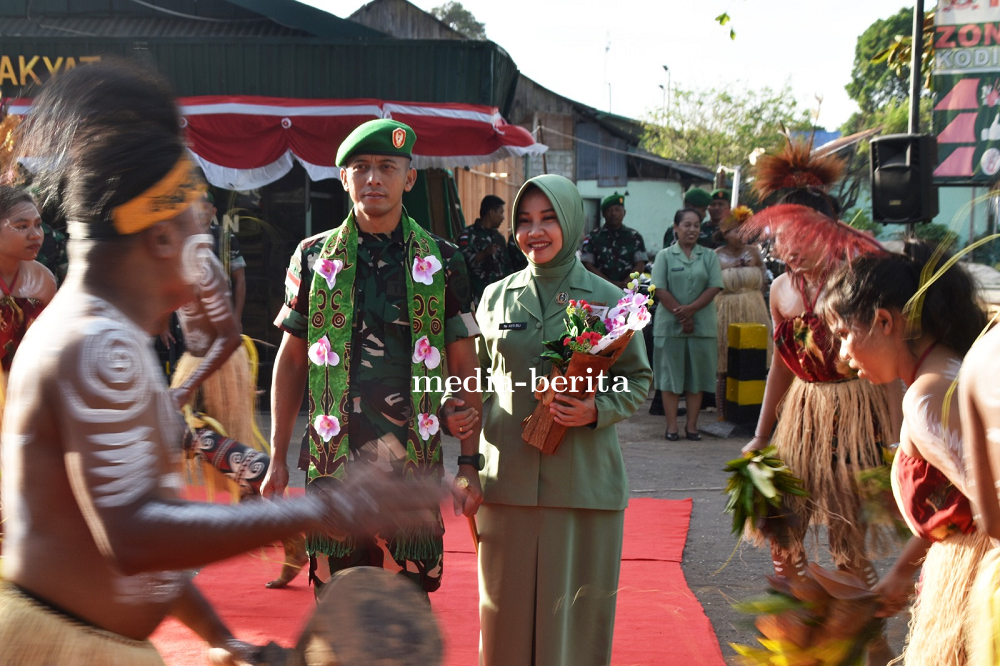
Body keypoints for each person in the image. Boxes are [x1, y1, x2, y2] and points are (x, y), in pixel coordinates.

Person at [0, 59, 438, 666]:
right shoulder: (97, 346)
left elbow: (125, 536)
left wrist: (219, 636)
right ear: (159, 238)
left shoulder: (104, 335)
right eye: (198, 227)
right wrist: (322, 507)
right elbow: (132, 536)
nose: (206, 250)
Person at [262, 118, 484, 597]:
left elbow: (465, 363)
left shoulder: (442, 260)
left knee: (407, 603)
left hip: (412, 467)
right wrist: (276, 456)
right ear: (344, 178)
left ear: (409, 177)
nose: (373, 178)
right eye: (360, 167)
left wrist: (470, 463)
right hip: (334, 464)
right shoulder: (313, 258)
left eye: (387, 166)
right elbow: (292, 360)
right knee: (336, 603)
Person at [475, 173, 651, 666]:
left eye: (549, 219)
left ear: (572, 223)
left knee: (572, 630)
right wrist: (463, 424)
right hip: (506, 483)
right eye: (525, 221)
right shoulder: (494, 297)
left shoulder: (611, 300)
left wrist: (597, 410)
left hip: (582, 486)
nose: (535, 232)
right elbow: (476, 378)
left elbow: (637, 379)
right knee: (503, 623)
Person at [826, 241, 990, 665]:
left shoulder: (925, 399)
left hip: (980, 586)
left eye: (843, 335)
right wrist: (902, 571)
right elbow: (962, 504)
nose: (842, 357)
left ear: (884, 321)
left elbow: (990, 510)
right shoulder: (954, 367)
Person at [170, 192, 259, 448]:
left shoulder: (205, 266)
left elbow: (230, 338)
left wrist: (187, 387)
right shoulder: (177, 262)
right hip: (193, 361)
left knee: (226, 448)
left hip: (221, 366)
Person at [651, 208, 723, 441]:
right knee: (670, 378)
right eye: (687, 225)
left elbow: (714, 286)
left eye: (696, 225)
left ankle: (692, 426)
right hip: (669, 327)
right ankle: (671, 426)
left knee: (697, 378)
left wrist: (691, 310)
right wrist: (683, 315)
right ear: (676, 228)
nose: (692, 230)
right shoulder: (664, 256)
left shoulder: (709, 256)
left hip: (702, 325)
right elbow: (659, 289)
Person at [713, 206, 771, 419]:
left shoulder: (755, 252)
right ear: (725, 233)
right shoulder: (715, 256)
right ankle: (722, 411)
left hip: (754, 308)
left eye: (746, 230)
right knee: (725, 364)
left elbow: (764, 280)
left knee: (755, 360)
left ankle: (754, 411)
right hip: (726, 309)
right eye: (737, 231)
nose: (742, 235)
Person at [0, 186, 57, 383]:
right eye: (22, 226)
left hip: (30, 387)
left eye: (38, 225)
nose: (36, 235)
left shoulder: (44, 279)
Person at [580, 191, 648, 288]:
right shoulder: (592, 237)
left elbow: (640, 264)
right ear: (603, 214)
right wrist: (610, 284)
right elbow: (587, 265)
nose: (613, 214)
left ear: (624, 213)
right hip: (600, 288)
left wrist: (626, 283)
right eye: (609, 210)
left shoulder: (635, 237)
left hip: (628, 289)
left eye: (617, 210)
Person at [456, 194, 512, 303]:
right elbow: (461, 263)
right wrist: (484, 253)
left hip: (500, 296)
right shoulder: (468, 235)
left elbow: (507, 265)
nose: (503, 217)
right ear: (491, 213)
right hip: (477, 297)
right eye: (501, 212)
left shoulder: (499, 238)